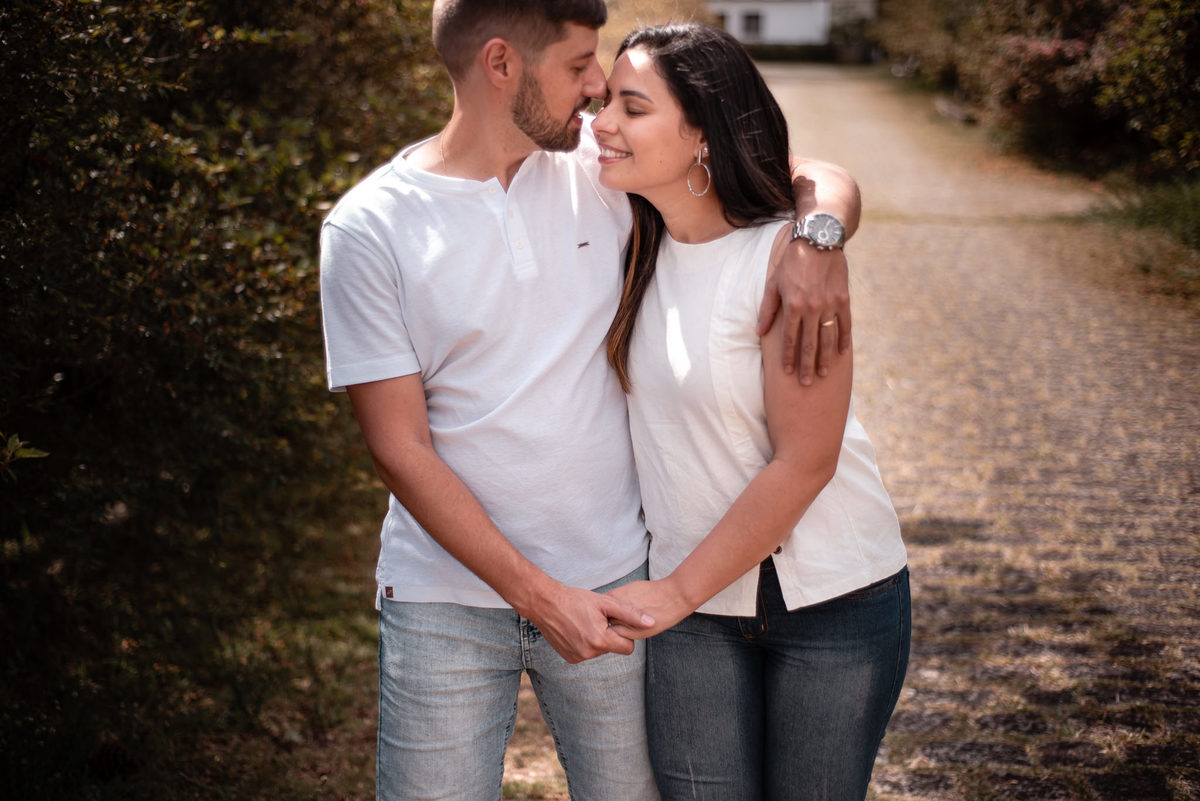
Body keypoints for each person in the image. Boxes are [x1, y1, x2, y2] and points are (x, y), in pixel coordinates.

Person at [319, 2, 862, 799]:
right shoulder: (370, 229)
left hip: (616, 586)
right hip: (444, 599)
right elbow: (399, 448)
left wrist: (819, 240)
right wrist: (541, 598)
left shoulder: (602, 167)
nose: (598, 85)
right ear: (501, 65)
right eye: (579, 65)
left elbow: (800, 169)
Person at [594, 23, 911, 801]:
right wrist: (679, 596)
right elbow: (819, 174)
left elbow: (807, 460)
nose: (601, 124)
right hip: (694, 611)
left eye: (631, 107)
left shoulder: (787, 262)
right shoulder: (626, 231)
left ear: (702, 133)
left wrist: (817, 236)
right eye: (603, 100)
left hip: (833, 602)